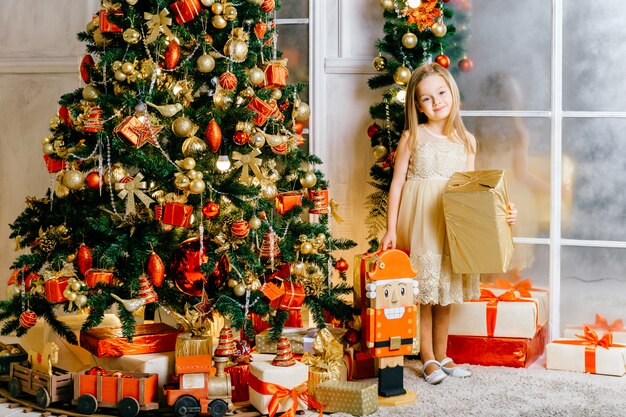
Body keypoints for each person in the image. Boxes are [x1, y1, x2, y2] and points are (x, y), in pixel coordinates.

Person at [379, 63, 517, 385]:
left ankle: (442, 354)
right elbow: (397, 183)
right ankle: (426, 357)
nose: (436, 102)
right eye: (426, 98)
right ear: (417, 106)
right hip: (420, 220)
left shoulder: (466, 140)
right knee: (426, 292)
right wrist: (390, 228)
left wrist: (504, 211)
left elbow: (474, 190)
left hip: (450, 221)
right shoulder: (413, 136)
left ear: (452, 92)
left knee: (445, 291)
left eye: (441, 93)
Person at [473, 73, 550, 280]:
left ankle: (489, 301)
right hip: (516, 201)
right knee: (511, 263)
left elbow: (476, 170)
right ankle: (508, 304)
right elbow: (522, 175)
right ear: (512, 101)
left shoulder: (480, 131)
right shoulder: (518, 132)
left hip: (490, 196)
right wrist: (551, 187)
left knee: (490, 258)